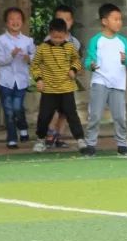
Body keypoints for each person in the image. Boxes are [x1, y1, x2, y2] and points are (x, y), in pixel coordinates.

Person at [84, 2, 127, 156]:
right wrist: (91, 65)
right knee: (95, 115)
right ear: (104, 21)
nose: (119, 22)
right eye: (115, 19)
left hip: (118, 84)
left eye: (120, 19)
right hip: (100, 82)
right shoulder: (96, 40)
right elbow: (88, 60)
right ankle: (90, 144)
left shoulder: (122, 41)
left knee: (120, 116)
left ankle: (122, 144)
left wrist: (126, 59)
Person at [31, 18, 91, 155]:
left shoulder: (70, 47)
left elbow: (77, 60)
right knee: (44, 116)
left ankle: (81, 140)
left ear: (65, 34)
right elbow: (34, 66)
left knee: (72, 115)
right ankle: (40, 140)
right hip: (49, 90)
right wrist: (38, 79)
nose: (57, 39)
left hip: (66, 89)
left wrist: (73, 70)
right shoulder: (42, 48)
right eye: (54, 37)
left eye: (60, 37)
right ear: (50, 33)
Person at [0, 7, 35, 148]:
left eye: (18, 19)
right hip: (5, 81)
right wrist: (11, 55)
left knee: (17, 108)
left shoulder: (28, 40)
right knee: (9, 110)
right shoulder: (0, 40)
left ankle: (23, 128)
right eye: (12, 19)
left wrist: (28, 57)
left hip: (21, 81)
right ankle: (11, 138)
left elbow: (35, 57)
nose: (15, 21)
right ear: (6, 22)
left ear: (22, 22)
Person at [44, 4, 81, 147]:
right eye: (60, 19)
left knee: (65, 111)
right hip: (52, 82)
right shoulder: (48, 40)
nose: (64, 23)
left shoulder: (75, 42)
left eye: (67, 20)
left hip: (67, 82)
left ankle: (59, 136)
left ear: (71, 22)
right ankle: (49, 133)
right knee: (52, 110)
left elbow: (76, 61)